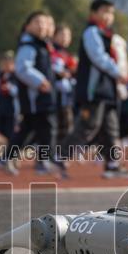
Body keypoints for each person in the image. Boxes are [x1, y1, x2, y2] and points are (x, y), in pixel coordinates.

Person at [56, 0, 128, 178]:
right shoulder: (92, 32)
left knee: (110, 128)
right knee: (88, 125)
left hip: (107, 90)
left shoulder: (108, 35)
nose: (108, 16)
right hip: (94, 90)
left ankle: (112, 164)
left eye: (111, 12)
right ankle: (59, 157)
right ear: (94, 13)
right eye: (104, 11)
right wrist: (117, 71)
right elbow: (98, 57)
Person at [3, 10, 56, 175]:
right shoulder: (29, 45)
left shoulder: (41, 45)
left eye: (45, 23)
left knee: (31, 129)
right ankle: (43, 161)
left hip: (41, 97)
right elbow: (22, 68)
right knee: (46, 128)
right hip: (35, 97)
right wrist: (40, 81)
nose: (42, 26)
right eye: (37, 22)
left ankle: (7, 157)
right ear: (27, 26)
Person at [50, 23, 76, 156]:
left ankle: (61, 152)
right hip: (53, 95)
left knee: (67, 124)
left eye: (68, 35)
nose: (66, 38)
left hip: (66, 96)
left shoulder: (67, 55)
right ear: (54, 36)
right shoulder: (50, 52)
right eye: (63, 35)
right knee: (53, 125)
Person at [0, 51, 18, 144]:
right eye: (4, 63)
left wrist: (9, 88)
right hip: (1, 108)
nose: (6, 65)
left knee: (11, 132)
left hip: (11, 109)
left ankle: (10, 150)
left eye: (9, 63)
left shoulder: (15, 76)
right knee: (1, 132)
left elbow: (18, 91)